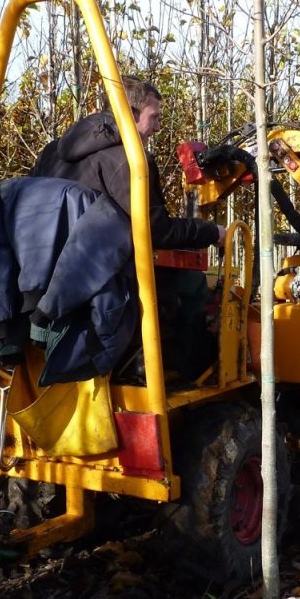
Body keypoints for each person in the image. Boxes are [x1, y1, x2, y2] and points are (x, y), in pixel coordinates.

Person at [33, 77, 223, 382]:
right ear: (130, 113)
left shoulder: (51, 153)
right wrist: (212, 231)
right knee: (193, 284)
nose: (158, 127)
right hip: (106, 278)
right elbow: (156, 231)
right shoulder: (132, 161)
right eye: (154, 117)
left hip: (47, 274)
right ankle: (185, 373)